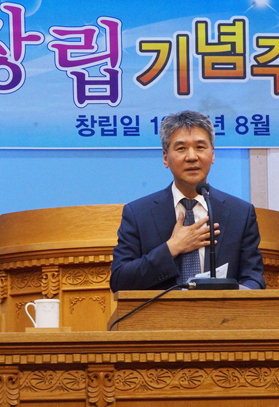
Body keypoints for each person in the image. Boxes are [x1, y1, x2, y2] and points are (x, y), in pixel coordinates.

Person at [110, 110, 265, 291]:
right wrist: (172, 248)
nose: (192, 157)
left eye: (200, 147)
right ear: (166, 158)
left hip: (222, 310)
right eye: (181, 148)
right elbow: (119, 281)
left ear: (213, 155)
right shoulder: (138, 214)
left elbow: (254, 278)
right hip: (161, 310)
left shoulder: (240, 213)